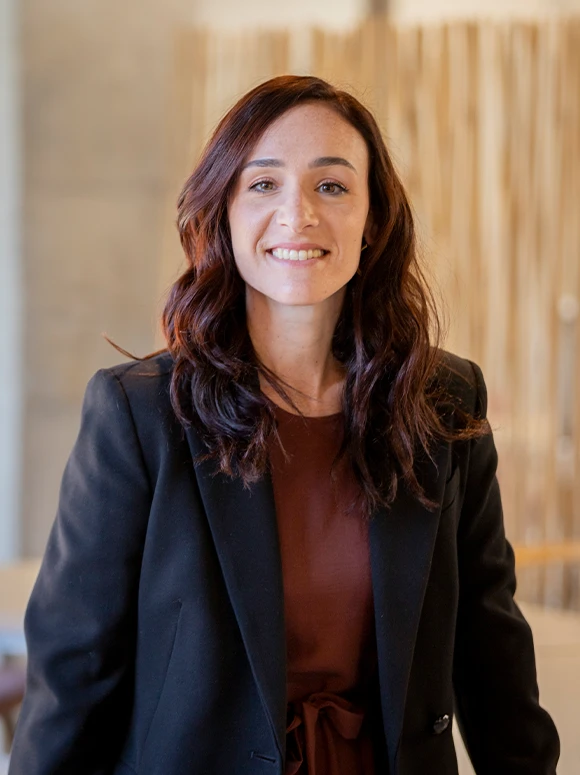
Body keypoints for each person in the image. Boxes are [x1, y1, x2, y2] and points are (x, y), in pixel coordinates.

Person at [9, 75, 559, 775]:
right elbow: (76, 668)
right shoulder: (140, 413)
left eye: (332, 186)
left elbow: (491, 647)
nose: (297, 215)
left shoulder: (444, 401)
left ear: (373, 218)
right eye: (263, 185)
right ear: (225, 212)